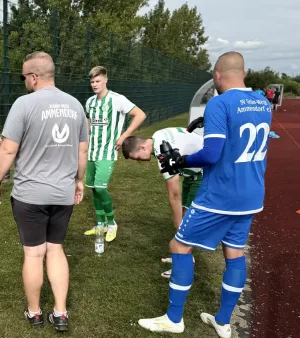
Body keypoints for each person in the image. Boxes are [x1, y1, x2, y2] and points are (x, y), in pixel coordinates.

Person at [138, 51, 272, 338]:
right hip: (252, 195)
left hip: (221, 194)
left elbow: (211, 154)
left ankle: (174, 319)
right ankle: (223, 322)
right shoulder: (263, 102)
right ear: (244, 74)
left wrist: (181, 161)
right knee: (234, 254)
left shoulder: (219, 103)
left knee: (179, 247)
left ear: (217, 75)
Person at [0, 51, 88, 332]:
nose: (23, 81)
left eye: (23, 76)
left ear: (33, 77)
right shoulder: (75, 105)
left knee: (34, 254)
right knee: (56, 249)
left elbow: (8, 148)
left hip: (30, 194)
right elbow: (82, 149)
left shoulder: (24, 104)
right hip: (62, 192)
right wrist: (79, 180)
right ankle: (60, 312)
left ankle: (34, 312)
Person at [121, 124, 203, 279]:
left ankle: (183, 265)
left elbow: (174, 194)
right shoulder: (157, 135)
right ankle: (183, 255)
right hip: (192, 173)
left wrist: (177, 222)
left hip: (201, 173)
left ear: (143, 148)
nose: (140, 162)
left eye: (137, 158)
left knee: (184, 221)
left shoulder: (163, 151)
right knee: (184, 218)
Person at [83, 66, 146, 241]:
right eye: (92, 82)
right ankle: (100, 224)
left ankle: (112, 223)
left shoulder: (117, 100)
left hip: (107, 152)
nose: (94, 85)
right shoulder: (90, 102)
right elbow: (88, 123)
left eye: (97, 81)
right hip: (92, 152)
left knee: (101, 187)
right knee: (94, 189)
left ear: (105, 80)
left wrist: (124, 135)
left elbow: (140, 115)